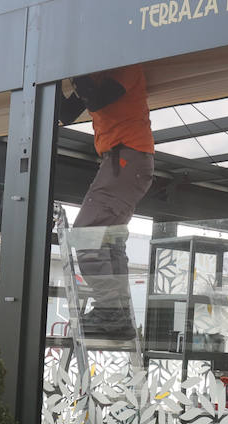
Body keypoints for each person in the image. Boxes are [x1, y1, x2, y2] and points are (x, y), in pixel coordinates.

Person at [56, 65, 155, 340]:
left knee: (87, 233)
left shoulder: (126, 67)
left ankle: (111, 312)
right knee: (107, 239)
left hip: (127, 158)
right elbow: (64, 114)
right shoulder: (98, 79)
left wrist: (75, 73)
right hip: (124, 161)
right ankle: (118, 315)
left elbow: (98, 98)